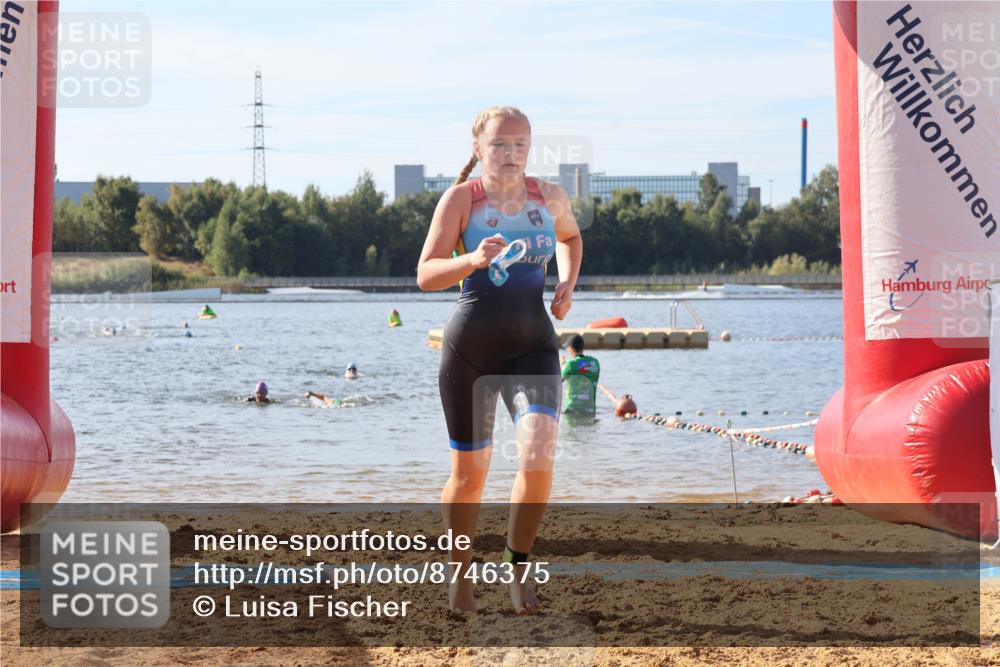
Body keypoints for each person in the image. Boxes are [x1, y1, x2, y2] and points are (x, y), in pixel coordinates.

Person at [416, 106, 582, 615]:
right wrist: (471, 260)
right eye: (500, 144)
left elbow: (570, 238)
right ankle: (460, 577)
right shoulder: (460, 200)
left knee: (537, 457)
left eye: (520, 145)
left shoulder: (548, 196)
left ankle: (516, 565)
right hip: (471, 350)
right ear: (478, 148)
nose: (511, 154)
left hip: (533, 345)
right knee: (469, 476)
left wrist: (567, 282)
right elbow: (426, 275)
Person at [560, 335, 600, 416]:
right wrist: (565, 365)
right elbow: (581, 369)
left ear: (571, 348)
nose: (567, 350)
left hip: (573, 409)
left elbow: (558, 380)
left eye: (567, 348)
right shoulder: (595, 362)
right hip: (590, 410)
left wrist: (562, 365)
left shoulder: (570, 364)